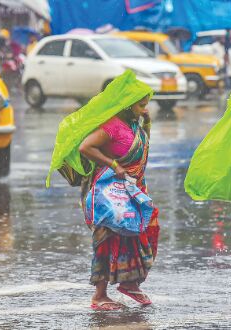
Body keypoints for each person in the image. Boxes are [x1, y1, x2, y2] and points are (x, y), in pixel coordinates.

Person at [78, 93, 160, 311]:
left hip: (132, 190)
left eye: (146, 105)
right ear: (127, 105)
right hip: (110, 195)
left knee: (143, 232)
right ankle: (99, 295)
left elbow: (143, 146)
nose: (144, 109)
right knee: (108, 239)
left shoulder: (134, 124)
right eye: (141, 105)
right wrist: (114, 165)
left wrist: (147, 121)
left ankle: (130, 282)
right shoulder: (112, 126)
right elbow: (85, 147)